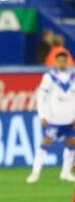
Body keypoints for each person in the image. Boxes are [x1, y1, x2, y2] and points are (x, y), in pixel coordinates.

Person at [27, 52, 75, 184]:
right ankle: (35, 173)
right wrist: (42, 115)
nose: (61, 64)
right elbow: (41, 97)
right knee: (45, 143)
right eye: (59, 61)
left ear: (67, 62)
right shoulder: (49, 77)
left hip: (69, 119)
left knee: (71, 143)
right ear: (55, 62)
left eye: (63, 61)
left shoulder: (72, 78)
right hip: (54, 118)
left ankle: (65, 173)